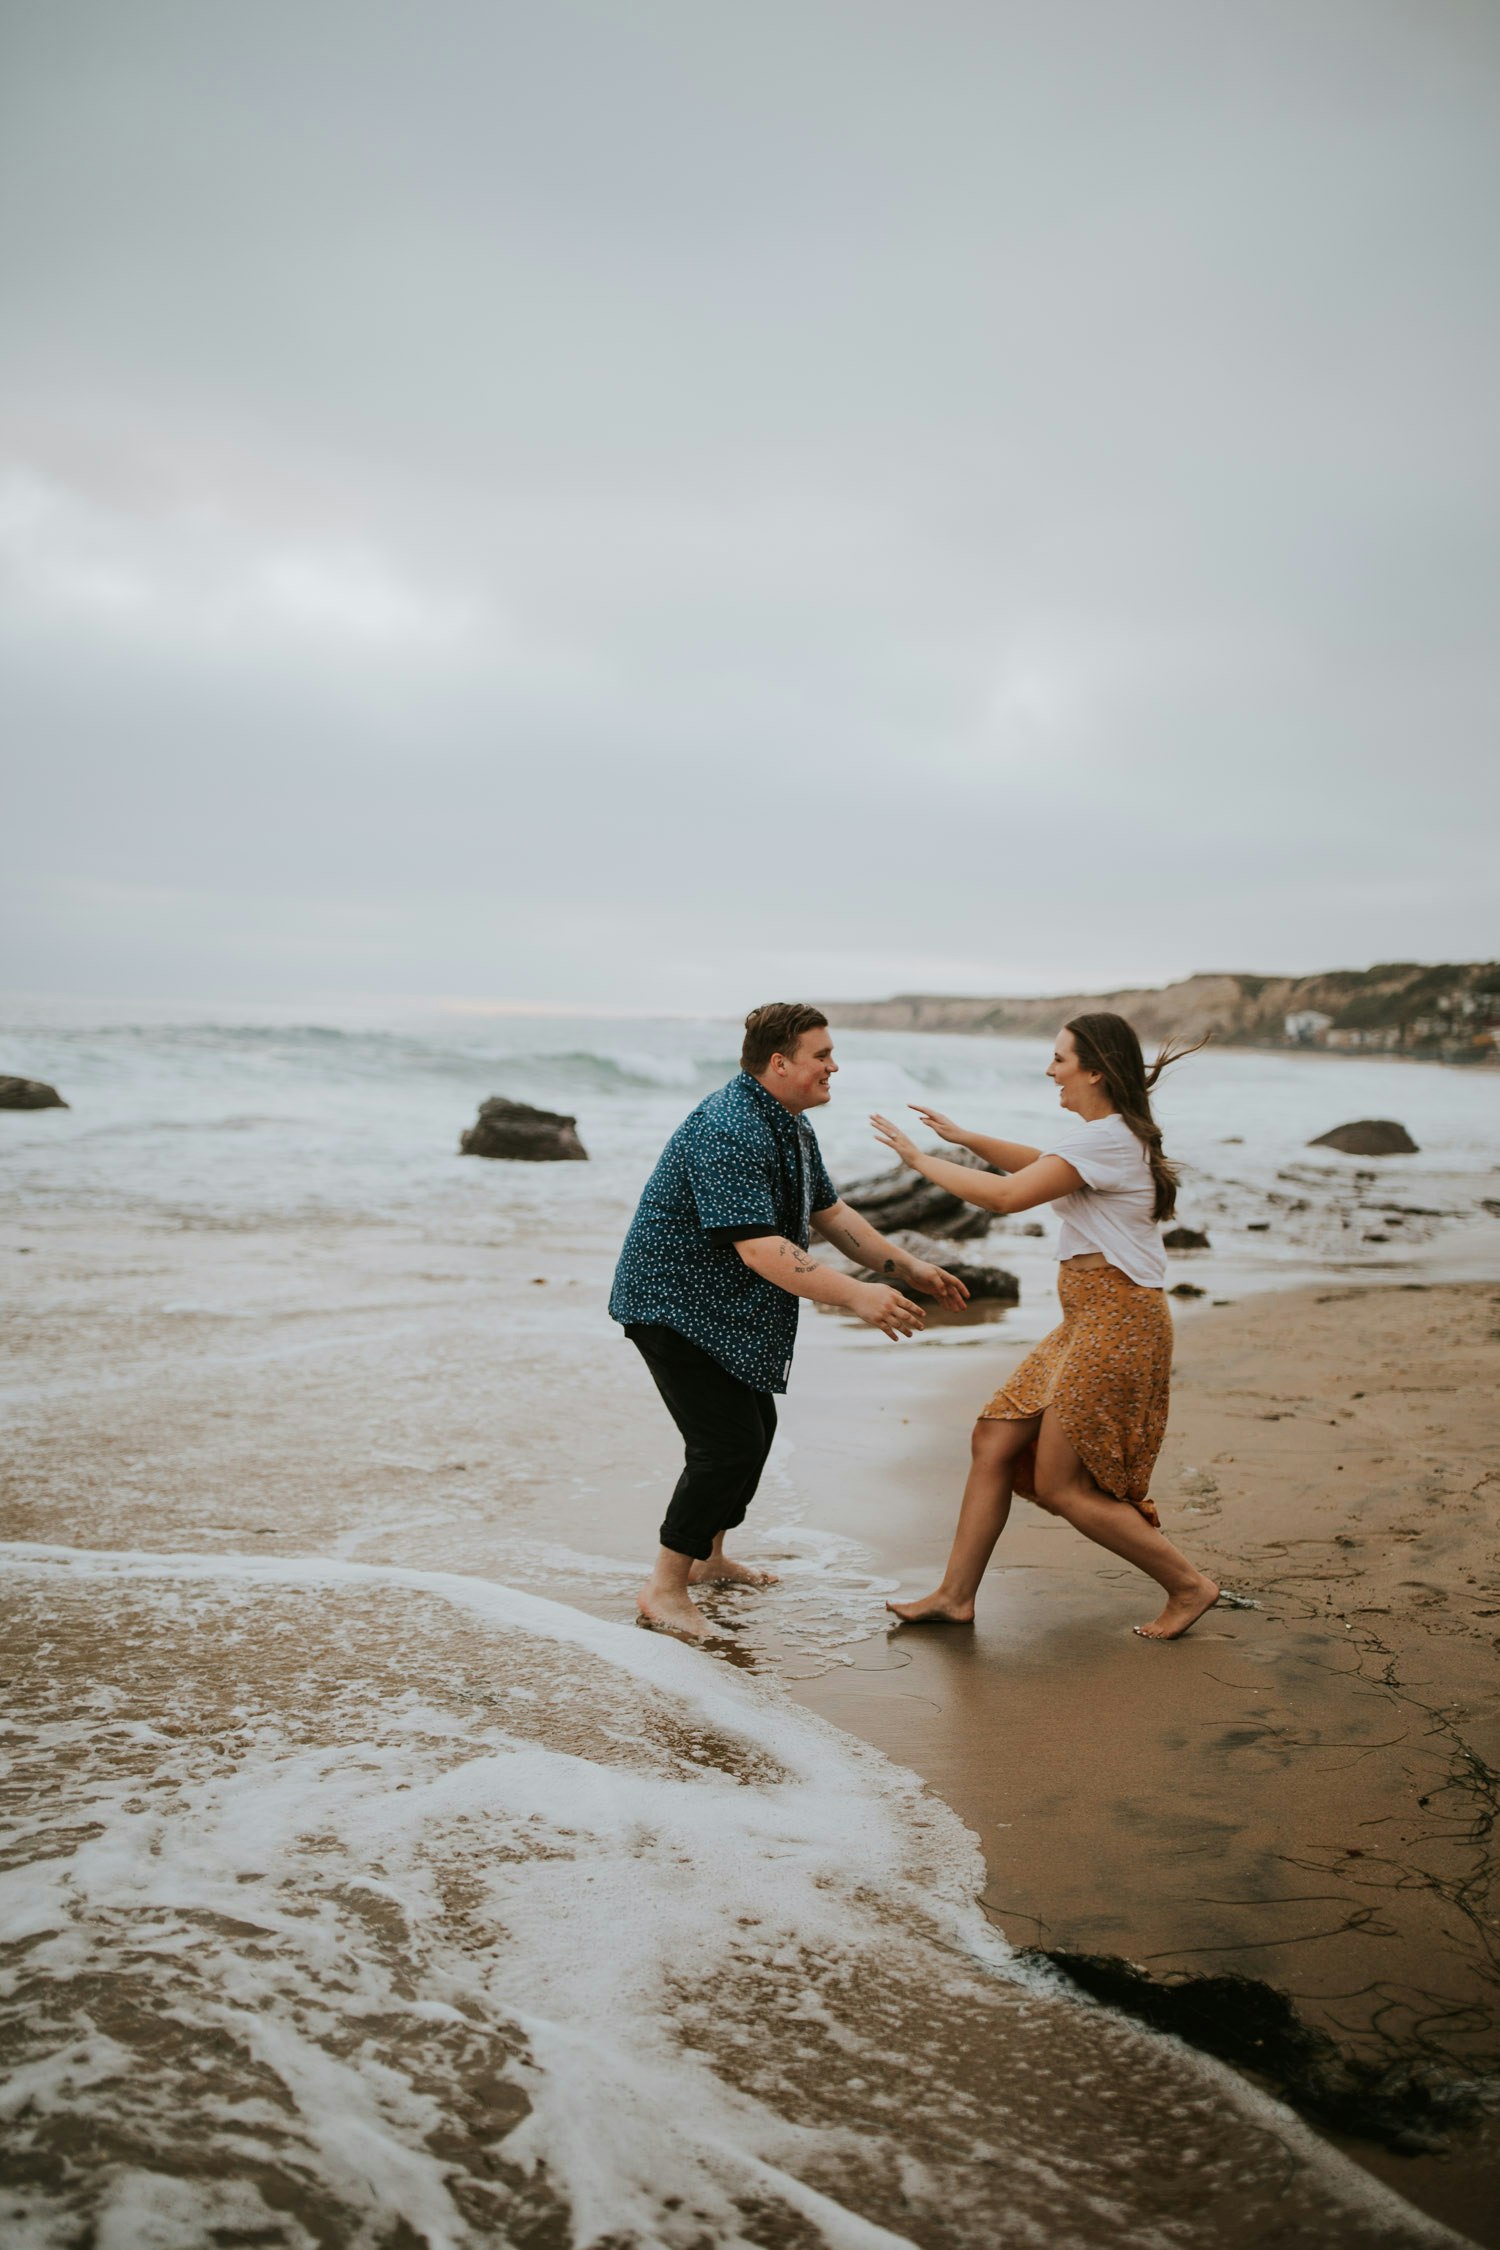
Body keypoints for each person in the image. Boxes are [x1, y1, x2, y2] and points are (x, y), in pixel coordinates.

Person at [611, 1001, 969, 1641]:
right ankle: (663, 1588)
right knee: (725, 1447)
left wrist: (907, 1268)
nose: (835, 1066)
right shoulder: (729, 1126)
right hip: (671, 1304)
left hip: (724, 1305)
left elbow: (830, 1215)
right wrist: (857, 1296)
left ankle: (707, 1560)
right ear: (780, 1063)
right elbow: (760, 1247)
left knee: (757, 1428)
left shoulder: (789, 1122)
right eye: (822, 1055)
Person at [871, 1013, 1220, 1642]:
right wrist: (968, 1138)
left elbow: (1007, 1196)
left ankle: (1189, 1585)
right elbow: (1039, 1163)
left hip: (1117, 1322)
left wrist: (920, 1160)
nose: (1050, 1069)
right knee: (994, 1440)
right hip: (1089, 1321)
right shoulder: (1105, 1140)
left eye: (1059, 1058)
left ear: (1094, 1069)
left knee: (1062, 1484)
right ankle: (954, 1596)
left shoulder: (1108, 1139)